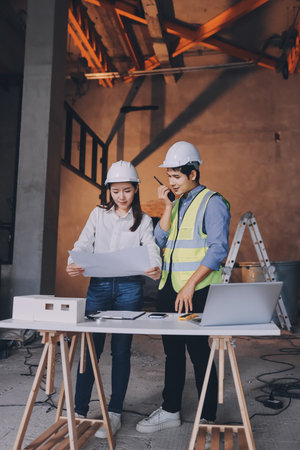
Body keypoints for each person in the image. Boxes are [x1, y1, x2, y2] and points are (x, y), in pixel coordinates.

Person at [136, 141, 230, 433]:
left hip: (196, 291)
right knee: (173, 353)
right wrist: (167, 205)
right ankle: (170, 410)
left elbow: (218, 250)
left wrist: (190, 285)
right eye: (169, 176)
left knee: (201, 354)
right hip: (169, 289)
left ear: (193, 173)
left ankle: (208, 417)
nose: (171, 182)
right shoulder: (176, 204)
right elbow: (160, 240)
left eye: (176, 176)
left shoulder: (212, 202)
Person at [66, 160, 161, 438]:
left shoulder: (142, 220)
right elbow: (84, 243)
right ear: (109, 190)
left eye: (127, 190)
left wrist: (155, 266)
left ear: (136, 190)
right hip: (99, 286)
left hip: (130, 289)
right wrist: (74, 261)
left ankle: (115, 412)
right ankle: (80, 410)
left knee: (121, 351)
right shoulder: (98, 215)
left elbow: (151, 247)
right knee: (89, 351)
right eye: (116, 191)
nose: (121, 196)